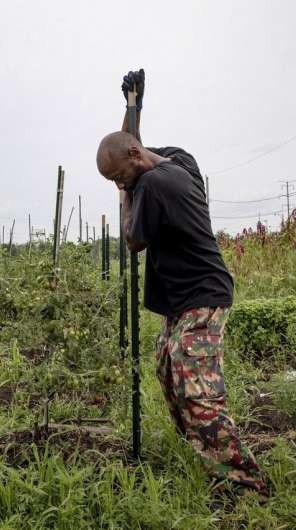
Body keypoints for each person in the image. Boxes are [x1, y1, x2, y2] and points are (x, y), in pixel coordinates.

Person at [95, 69, 269, 500]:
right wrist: (133, 108)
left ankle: (245, 486)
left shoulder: (154, 185)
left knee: (197, 389)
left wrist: (124, 195)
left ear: (135, 164)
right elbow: (131, 146)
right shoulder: (178, 160)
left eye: (119, 179)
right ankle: (203, 448)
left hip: (202, 296)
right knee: (166, 369)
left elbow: (134, 240)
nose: (120, 186)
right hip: (184, 297)